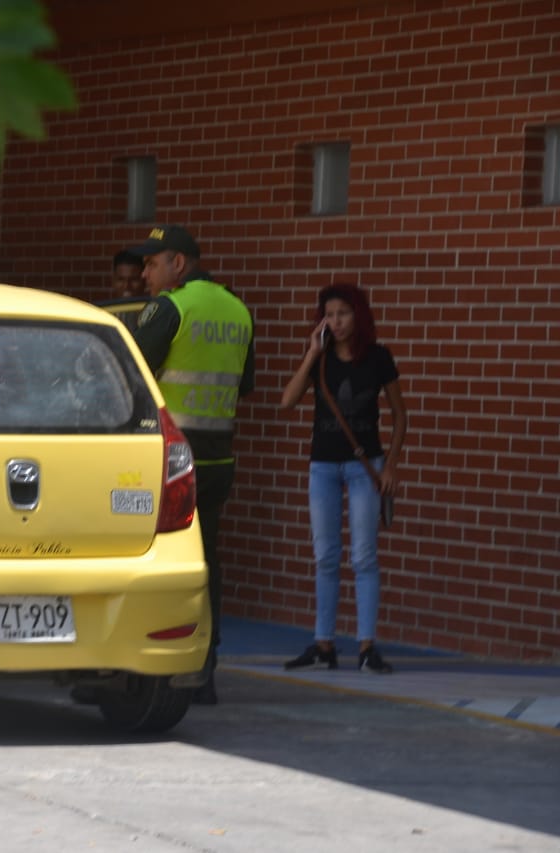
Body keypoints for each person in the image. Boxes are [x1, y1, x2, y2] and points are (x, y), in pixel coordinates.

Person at [131, 224, 254, 705]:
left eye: (152, 262)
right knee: (207, 563)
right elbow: (243, 386)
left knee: (160, 563)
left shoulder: (170, 308)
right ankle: (205, 668)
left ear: (178, 264)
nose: (144, 273)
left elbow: (132, 375)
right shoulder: (238, 309)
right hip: (219, 457)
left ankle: (160, 664)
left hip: (170, 460)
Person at [279, 283, 407, 675]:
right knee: (326, 557)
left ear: (359, 316)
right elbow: (287, 401)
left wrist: (391, 466)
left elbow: (400, 415)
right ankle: (324, 643)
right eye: (329, 315)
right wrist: (312, 352)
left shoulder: (378, 358)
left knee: (364, 556)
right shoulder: (320, 358)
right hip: (323, 467)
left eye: (343, 314)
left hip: (364, 464)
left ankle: (367, 646)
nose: (336, 322)